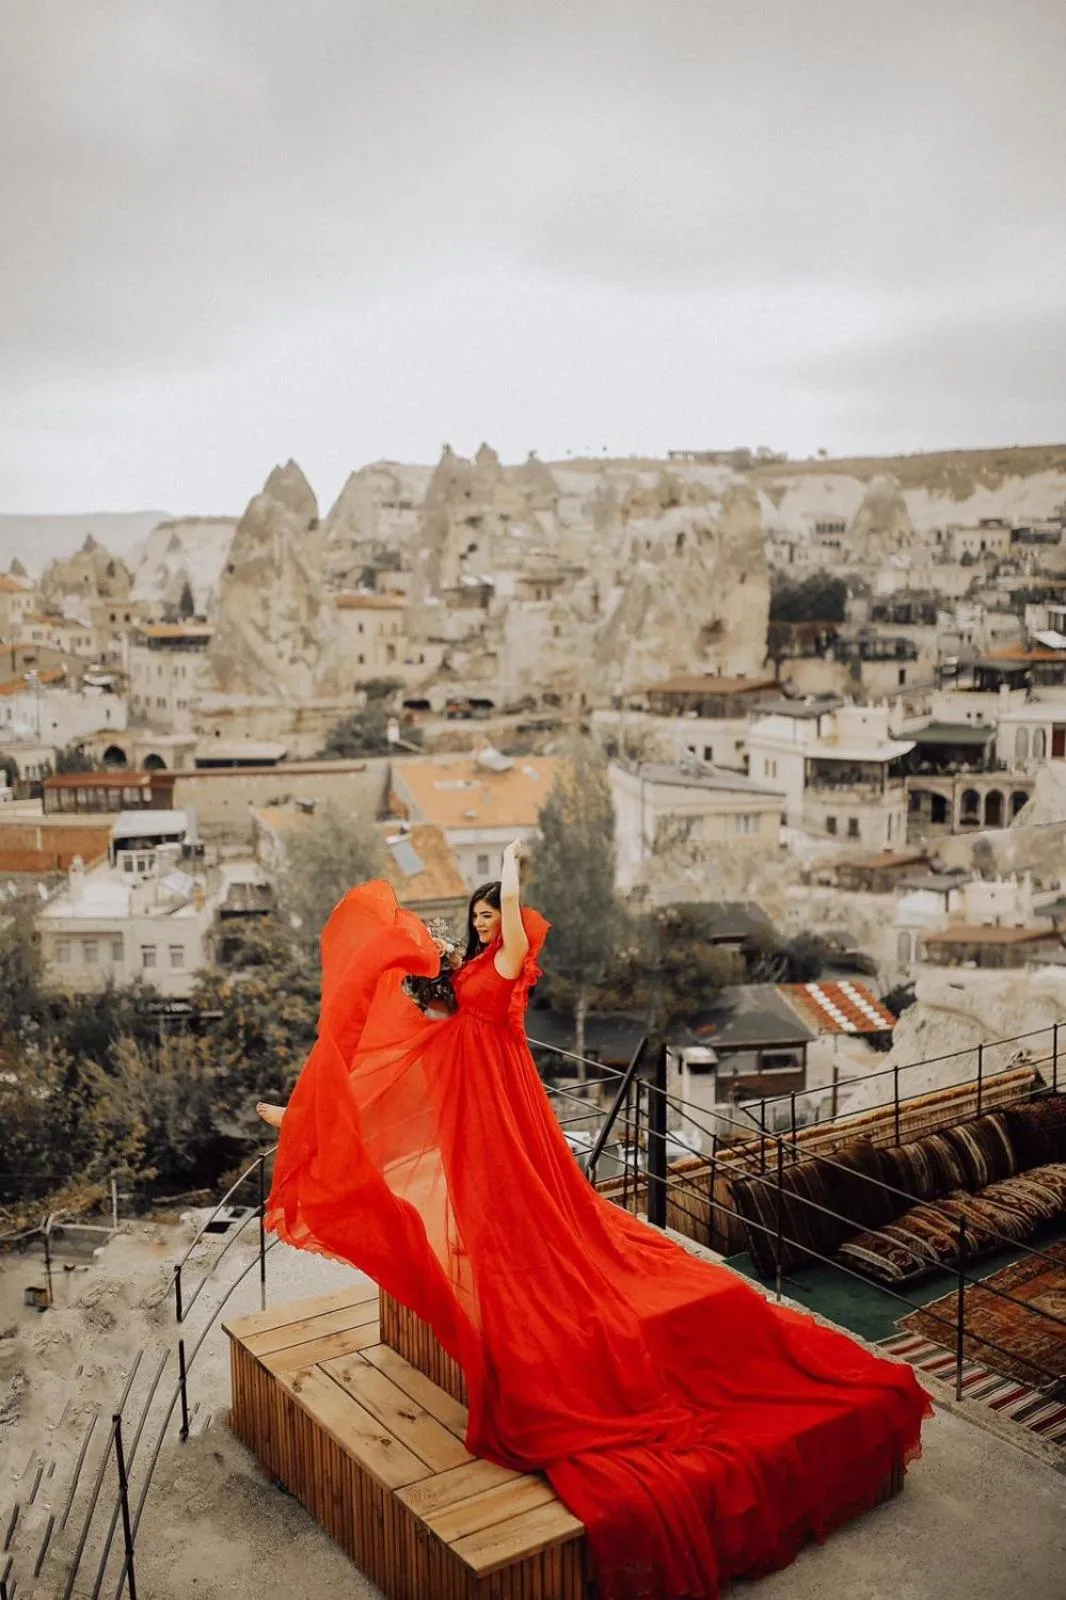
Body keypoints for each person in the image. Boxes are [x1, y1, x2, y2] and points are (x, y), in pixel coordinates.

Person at [258, 840, 930, 1600]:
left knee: (511, 1203)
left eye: (489, 913)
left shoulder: (510, 960)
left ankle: (316, 1130)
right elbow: (446, 1014)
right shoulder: (472, 967)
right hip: (463, 1095)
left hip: (500, 1107)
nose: (483, 925)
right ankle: (314, 1125)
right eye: (475, 916)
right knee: (412, 1091)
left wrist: (509, 866)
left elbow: (509, 937)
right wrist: (422, 981)